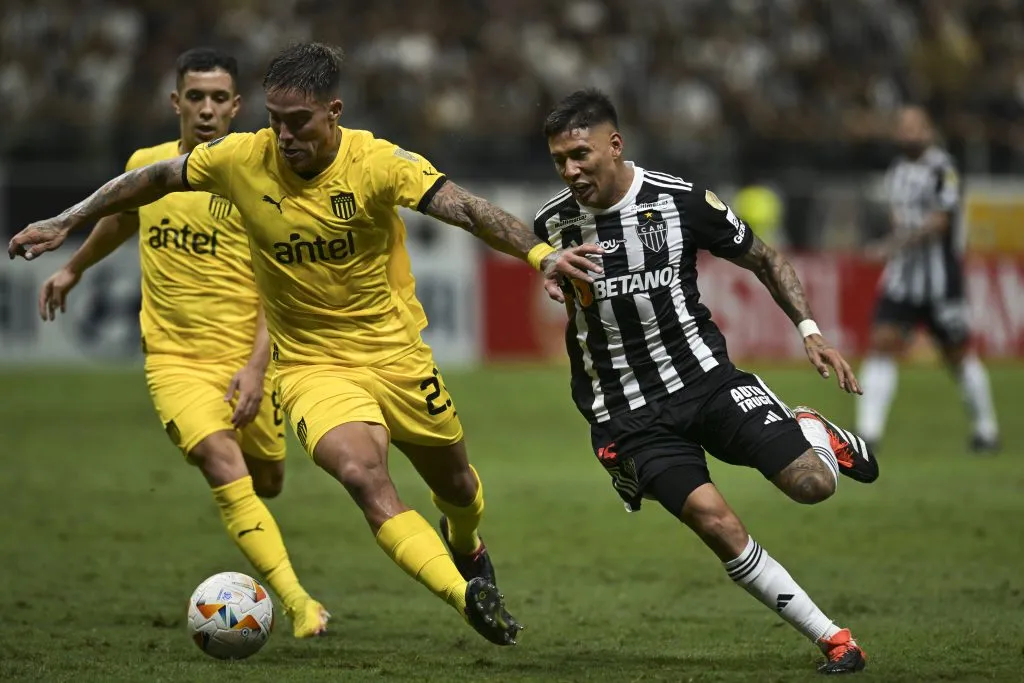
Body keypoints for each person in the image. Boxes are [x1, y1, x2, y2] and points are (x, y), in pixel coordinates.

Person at [9, 43, 600, 646]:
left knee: (459, 488)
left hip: (396, 356)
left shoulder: (377, 163)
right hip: (311, 366)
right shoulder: (241, 158)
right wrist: (66, 220)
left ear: (333, 112)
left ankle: (465, 542)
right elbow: (153, 178)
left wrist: (541, 254)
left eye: (298, 122)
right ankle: (465, 595)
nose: (284, 136)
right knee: (362, 476)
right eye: (275, 120)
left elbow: (466, 210)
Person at [532, 89, 878, 674]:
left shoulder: (681, 201)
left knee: (812, 485)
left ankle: (813, 430)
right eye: (559, 160)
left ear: (614, 145)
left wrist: (810, 330)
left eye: (580, 155)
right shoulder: (553, 223)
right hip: (629, 413)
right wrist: (550, 273)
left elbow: (766, 259)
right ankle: (834, 639)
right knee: (715, 522)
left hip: (707, 383)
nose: (570, 171)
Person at [35, 47, 328, 638]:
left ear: (237, 107)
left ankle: (261, 529)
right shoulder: (147, 166)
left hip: (247, 359)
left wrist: (256, 367)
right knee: (221, 460)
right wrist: (74, 268)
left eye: (219, 98)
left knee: (268, 481)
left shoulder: (259, 174)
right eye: (196, 97)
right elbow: (121, 218)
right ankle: (300, 604)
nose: (207, 109)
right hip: (174, 360)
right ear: (176, 102)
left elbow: (281, 285)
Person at [858, 105, 999, 454]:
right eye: (903, 127)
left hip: (940, 282)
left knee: (957, 354)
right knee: (882, 343)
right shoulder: (897, 171)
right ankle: (868, 433)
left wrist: (893, 244)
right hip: (903, 280)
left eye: (915, 127)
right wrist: (894, 241)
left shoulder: (943, 169)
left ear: (928, 130)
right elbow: (897, 217)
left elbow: (941, 222)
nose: (908, 134)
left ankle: (986, 430)